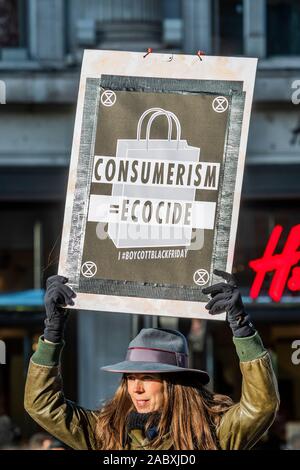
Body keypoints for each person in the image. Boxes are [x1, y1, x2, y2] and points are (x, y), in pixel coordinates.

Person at [24, 270, 279, 450]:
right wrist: (52, 334)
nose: (136, 388)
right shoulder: (106, 432)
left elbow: (261, 406)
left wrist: (242, 330)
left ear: (174, 383)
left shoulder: (213, 430)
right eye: (131, 377)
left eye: (147, 377)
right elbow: (41, 405)